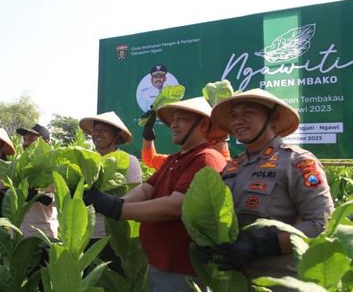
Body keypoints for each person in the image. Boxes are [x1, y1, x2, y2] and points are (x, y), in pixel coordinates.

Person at [82, 97, 227, 291]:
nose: (173, 125)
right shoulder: (174, 159)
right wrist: (114, 203)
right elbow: (146, 189)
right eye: (173, 120)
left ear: (202, 125)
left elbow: (175, 206)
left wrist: (118, 209)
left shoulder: (206, 158)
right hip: (161, 261)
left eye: (181, 119)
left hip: (183, 266)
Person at [209, 88, 334, 285]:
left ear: (273, 119)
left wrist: (262, 246)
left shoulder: (297, 162)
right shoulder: (232, 167)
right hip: (237, 283)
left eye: (248, 113)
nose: (238, 121)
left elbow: (321, 225)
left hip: (283, 282)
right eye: (233, 116)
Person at [79, 111, 142, 272]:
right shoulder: (86, 162)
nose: (97, 133)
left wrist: (106, 201)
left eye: (104, 129)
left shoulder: (129, 161)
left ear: (116, 135)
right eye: (95, 129)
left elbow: (136, 198)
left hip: (113, 239)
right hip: (84, 237)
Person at [16, 124, 58, 239]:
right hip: (17, 233)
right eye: (24, 139)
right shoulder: (18, 164)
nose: (25, 143)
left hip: (42, 235)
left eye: (31, 140)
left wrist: (38, 194)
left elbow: (57, 198)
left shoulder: (55, 165)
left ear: (46, 143)